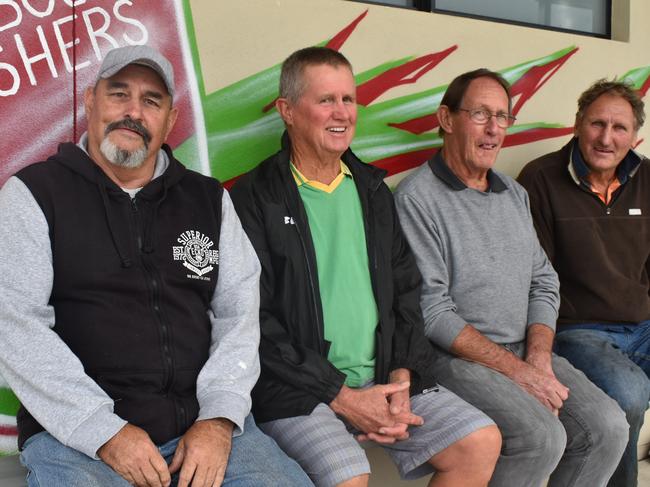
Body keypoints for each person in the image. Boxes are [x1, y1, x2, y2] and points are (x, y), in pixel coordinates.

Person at [0, 45, 312, 487]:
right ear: (90, 101)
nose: (133, 111)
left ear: (169, 119)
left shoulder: (207, 199)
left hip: (199, 426)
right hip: (77, 438)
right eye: (118, 94)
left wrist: (219, 419)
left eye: (151, 101)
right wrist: (104, 431)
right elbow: (16, 326)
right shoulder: (34, 194)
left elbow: (239, 314)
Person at [230, 46, 501, 487]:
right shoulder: (255, 197)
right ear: (287, 111)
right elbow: (254, 321)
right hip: (300, 391)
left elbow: (406, 291)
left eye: (348, 99)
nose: (342, 113)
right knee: (350, 477)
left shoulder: (373, 190)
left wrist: (399, 377)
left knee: (479, 441)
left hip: (384, 377)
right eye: (325, 100)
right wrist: (341, 396)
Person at [394, 68, 628, 487]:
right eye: (480, 114)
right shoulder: (417, 198)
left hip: (524, 349)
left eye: (502, 117)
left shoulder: (513, 193)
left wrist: (538, 358)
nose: (493, 130)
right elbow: (432, 313)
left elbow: (543, 280)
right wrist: (519, 372)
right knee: (540, 437)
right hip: (454, 357)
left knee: (609, 428)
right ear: (446, 119)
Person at [518, 79, 650, 487]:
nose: (606, 138)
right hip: (578, 330)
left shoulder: (648, 177)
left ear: (635, 136)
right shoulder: (539, 179)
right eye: (597, 124)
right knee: (628, 395)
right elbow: (536, 278)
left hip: (642, 325)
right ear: (577, 124)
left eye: (619, 128)